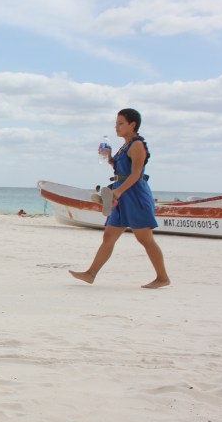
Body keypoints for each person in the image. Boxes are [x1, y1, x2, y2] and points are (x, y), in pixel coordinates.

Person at [69, 108, 170, 289]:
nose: (117, 127)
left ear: (132, 125)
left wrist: (119, 191)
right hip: (121, 193)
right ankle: (90, 274)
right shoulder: (125, 145)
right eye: (116, 123)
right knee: (109, 236)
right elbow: (121, 170)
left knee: (145, 238)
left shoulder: (137, 145)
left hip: (134, 195)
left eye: (121, 123)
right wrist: (110, 159)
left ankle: (162, 278)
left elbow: (136, 174)